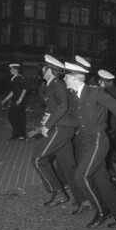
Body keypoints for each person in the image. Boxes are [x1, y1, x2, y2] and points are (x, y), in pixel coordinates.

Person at [63, 61, 116, 229]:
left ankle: (102, 210)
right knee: (101, 177)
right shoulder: (74, 96)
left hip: (97, 140)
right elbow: (76, 121)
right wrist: (53, 123)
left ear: (76, 77)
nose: (64, 78)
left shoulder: (95, 92)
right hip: (84, 141)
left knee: (81, 176)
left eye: (67, 75)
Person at [31, 55, 79, 209]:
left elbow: (63, 106)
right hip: (62, 128)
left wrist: (47, 125)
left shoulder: (57, 85)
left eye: (43, 68)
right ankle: (85, 198)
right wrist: (44, 121)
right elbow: (54, 107)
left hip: (60, 128)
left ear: (49, 69)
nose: (41, 71)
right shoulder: (52, 84)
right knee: (68, 165)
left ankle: (58, 193)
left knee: (38, 159)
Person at [1, 63, 27, 140]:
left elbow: (24, 89)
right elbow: (13, 91)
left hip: (18, 101)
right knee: (19, 117)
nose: (10, 70)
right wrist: (5, 99)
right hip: (17, 101)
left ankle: (17, 134)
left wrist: (20, 99)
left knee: (11, 116)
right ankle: (21, 135)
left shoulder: (18, 78)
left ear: (16, 70)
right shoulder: (16, 78)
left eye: (11, 69)